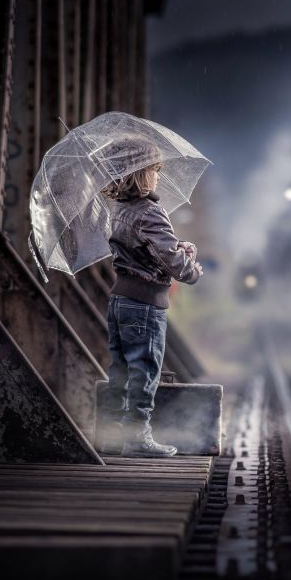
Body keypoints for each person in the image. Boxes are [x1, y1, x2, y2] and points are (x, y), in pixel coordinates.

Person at [99, 139, 203, 457]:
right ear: (143, 173)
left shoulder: (120, 209)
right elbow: (172, 261)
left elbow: (147, 249)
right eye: (156, 170)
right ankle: (137, 438)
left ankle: (111, 434)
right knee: (144, 370)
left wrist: (177, 244)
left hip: (119, 300)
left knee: (120, 369)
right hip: (144, 306)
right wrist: (192, 268)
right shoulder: (149, 212)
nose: (159, 176)